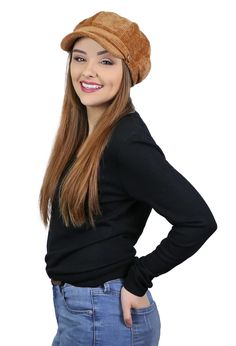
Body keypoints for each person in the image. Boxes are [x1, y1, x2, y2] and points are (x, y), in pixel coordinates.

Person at [39, 11, 217, 346]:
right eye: (80, 58)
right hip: (82, 312)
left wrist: (139, 279)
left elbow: (198, 221)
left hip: (103, 313)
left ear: (127, 73)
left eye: (106, 62)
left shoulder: (127, 142)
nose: (88, 71)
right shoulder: (83, 135)